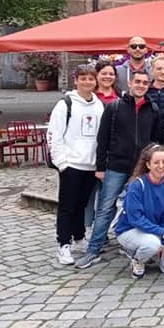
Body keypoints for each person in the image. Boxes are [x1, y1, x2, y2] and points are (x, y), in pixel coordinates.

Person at [76, 70, 163, 269]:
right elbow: (103, 138)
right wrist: (100, 167)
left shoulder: (153, 109)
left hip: (141, 167)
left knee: (141, 207)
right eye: (137, 82)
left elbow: (156, 140)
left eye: (145, 83)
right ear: (130, 83)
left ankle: (134, 245)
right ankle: (94, 249)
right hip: (116, 165)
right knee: (106, 207)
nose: (141, 85)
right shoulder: (115, 107)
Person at [49, 63, 105, 265]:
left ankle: (80, 238)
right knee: (68, 206)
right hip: (72, 164)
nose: (87, 82)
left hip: (90, 165)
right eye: (83, 78)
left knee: (82, 205)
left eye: (91, 78)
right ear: (76, 81)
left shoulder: (98, 105)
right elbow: (55, 134)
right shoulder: (65, 104)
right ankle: (64, 244)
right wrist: (62, 162)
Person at [114, 144, 164, 279]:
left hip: (156, 230)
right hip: (131, 229)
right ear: (148, 165)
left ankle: (152, 252)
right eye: (156, 162)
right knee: (152, 244)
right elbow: (136, 219)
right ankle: (137, 260)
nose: (161, 166)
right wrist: (161, 234)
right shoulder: (137, 185)